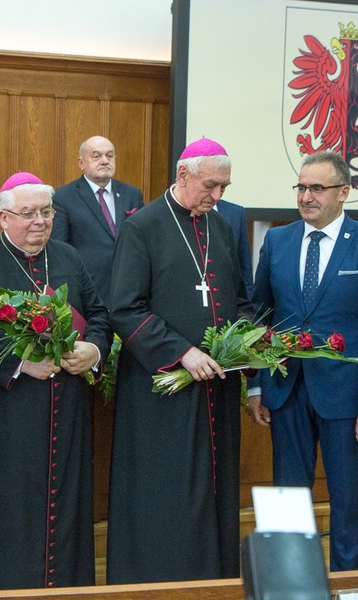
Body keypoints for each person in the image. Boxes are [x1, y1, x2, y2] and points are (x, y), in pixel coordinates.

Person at [0, 172, 111, 591]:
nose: (40, 222)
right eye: (28, 213)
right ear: (3, 217)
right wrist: (20, 363)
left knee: (62, 505)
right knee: (5, 508)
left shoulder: (69, 256)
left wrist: (93, 351)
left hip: (63, 409)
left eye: (47, 212)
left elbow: (100, 315)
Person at [106, 138, 251, 583]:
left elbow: (239, 298)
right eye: (211, 185)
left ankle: (215, 579)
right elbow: (124, 308)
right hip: (161, 392)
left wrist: (246, 339)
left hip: (217, 386)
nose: (218, 196)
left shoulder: (222, 227)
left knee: (214, 489)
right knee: (165, 492)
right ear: (183, 175)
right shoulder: (142, 227)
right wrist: (181, 352)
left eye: (224, 187)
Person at [248, 150, 358, 571]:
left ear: (344, 192)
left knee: (347, 500)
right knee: (288, 498)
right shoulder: (278, 240)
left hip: (347, 401)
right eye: (301, 187)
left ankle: (349, 582)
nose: (306, 196)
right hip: (286, 392)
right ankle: (290, 583)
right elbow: (260, 318)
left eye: (317, 187)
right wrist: (257, 384)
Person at [51, 135, 144, 304]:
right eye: (96, 156)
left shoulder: (132, 194)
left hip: (128, 292)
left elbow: (142, 241)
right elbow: (59, 251)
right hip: (88, 293)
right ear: (81, 163)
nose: (104, 161)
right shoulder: (63, 197)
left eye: (109, 156)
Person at [216, 198, 254, 298]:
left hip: (227, 300)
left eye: (222, 187)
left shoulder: (235, 213)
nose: (216, 195)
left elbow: (244, 266)